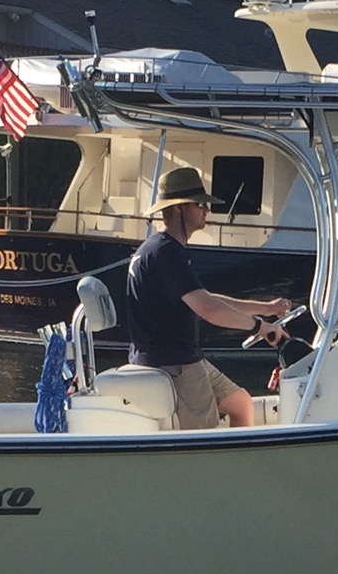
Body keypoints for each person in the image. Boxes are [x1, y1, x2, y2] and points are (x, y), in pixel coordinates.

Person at [122, 166, 292, 429]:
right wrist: (260, 326)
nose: (207, 210)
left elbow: (206, 298)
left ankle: (236, 468)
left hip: (183, 358)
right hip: (175, 364)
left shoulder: (160, 249)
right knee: (205, 436)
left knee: (240, 404)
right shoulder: (165, 253)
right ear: (179, 208)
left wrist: (266, 308)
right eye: (200, 204)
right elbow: (208, 310)